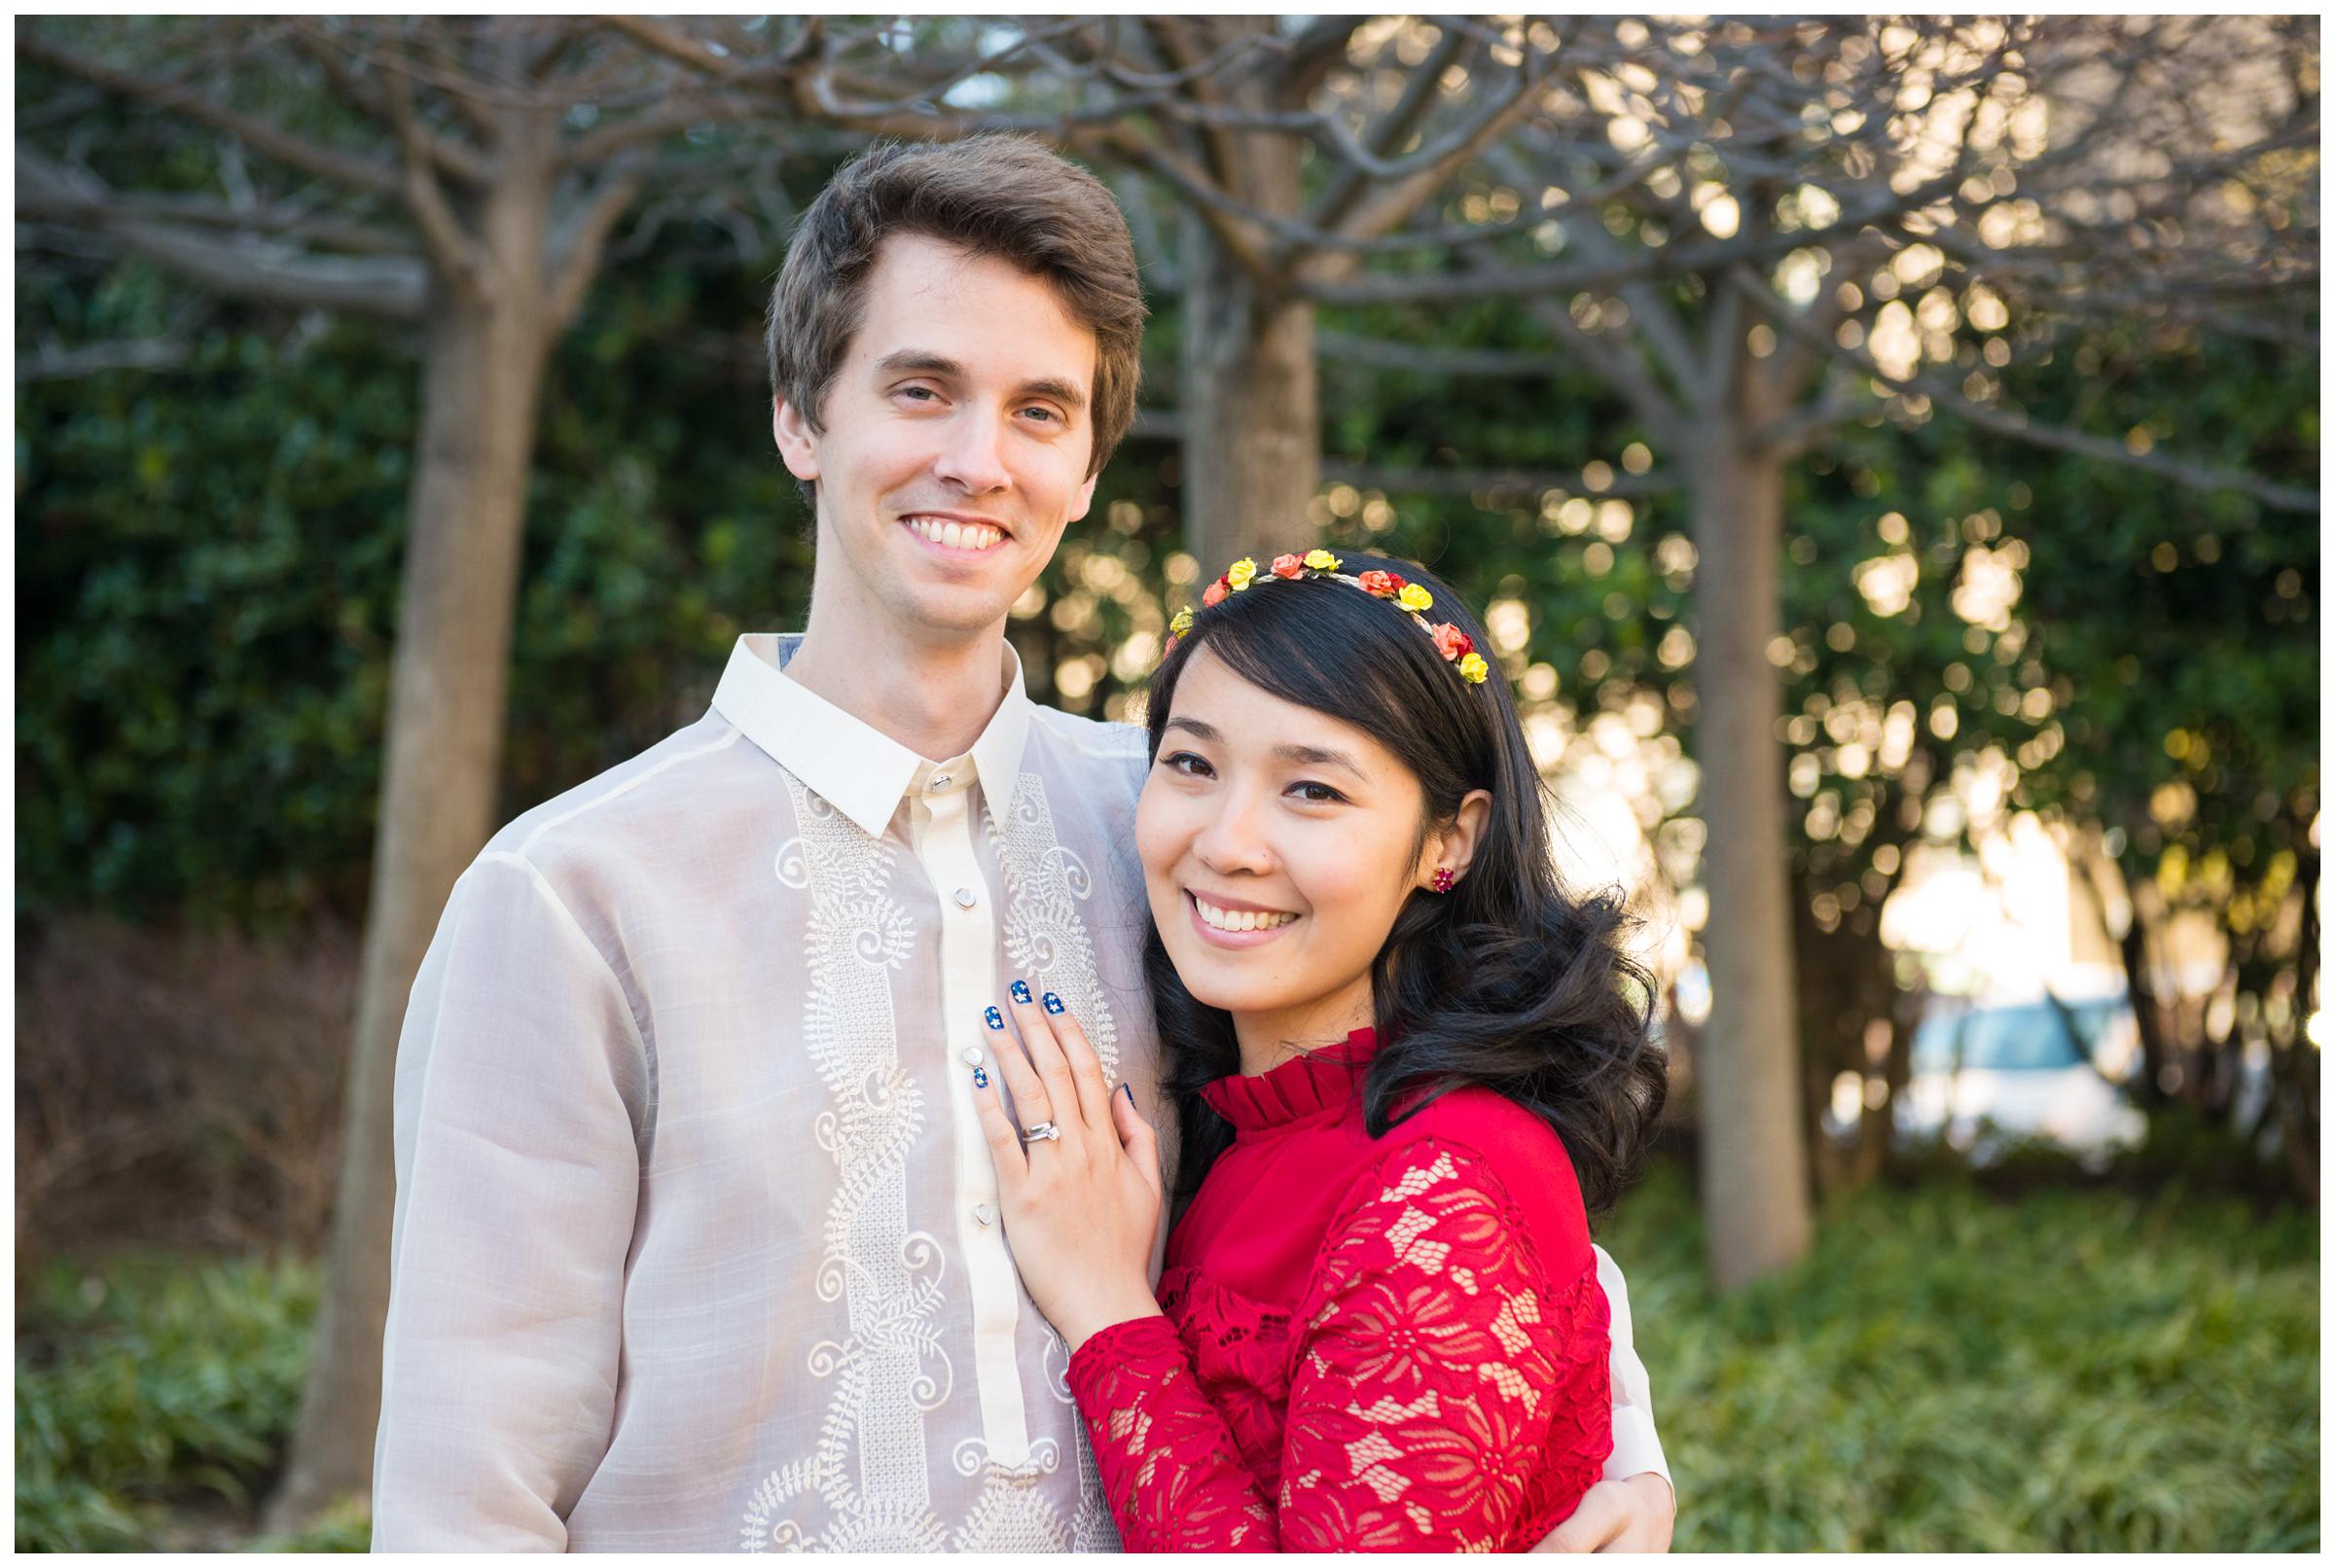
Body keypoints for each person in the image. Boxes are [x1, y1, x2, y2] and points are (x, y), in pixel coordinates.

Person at [370, 134, 1673, 1551]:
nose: (976, 460)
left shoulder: (1173, 833)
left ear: (1090, 468)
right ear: (803, 418)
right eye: (921, 389)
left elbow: (1447, 1157)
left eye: (1040, 411)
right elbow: (467, 1495)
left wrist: (1629, 1465)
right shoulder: (571, 900)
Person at [965, 550, 1670, 1550]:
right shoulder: (1238, 1124)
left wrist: (1106, 1311)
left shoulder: (1446, 1185)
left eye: (1313, 791)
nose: (1228, 842)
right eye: (1192, 764)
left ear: (1449, 840)